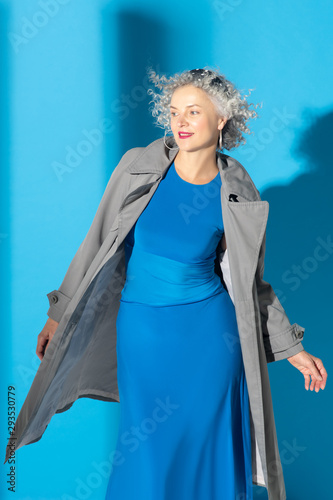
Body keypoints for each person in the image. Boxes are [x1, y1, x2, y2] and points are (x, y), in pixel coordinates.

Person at [10, 67, 327, 500]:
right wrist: (58, 313)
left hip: (212, 342)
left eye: (194, 112)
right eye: (174, 110)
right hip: (142, 336)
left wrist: (292, 347)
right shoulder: (138, 167)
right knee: (145, 452)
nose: (180, 121)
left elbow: (251, 284)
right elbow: (97, 241)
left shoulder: (238, 190)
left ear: (221, 120)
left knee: (206, 449)